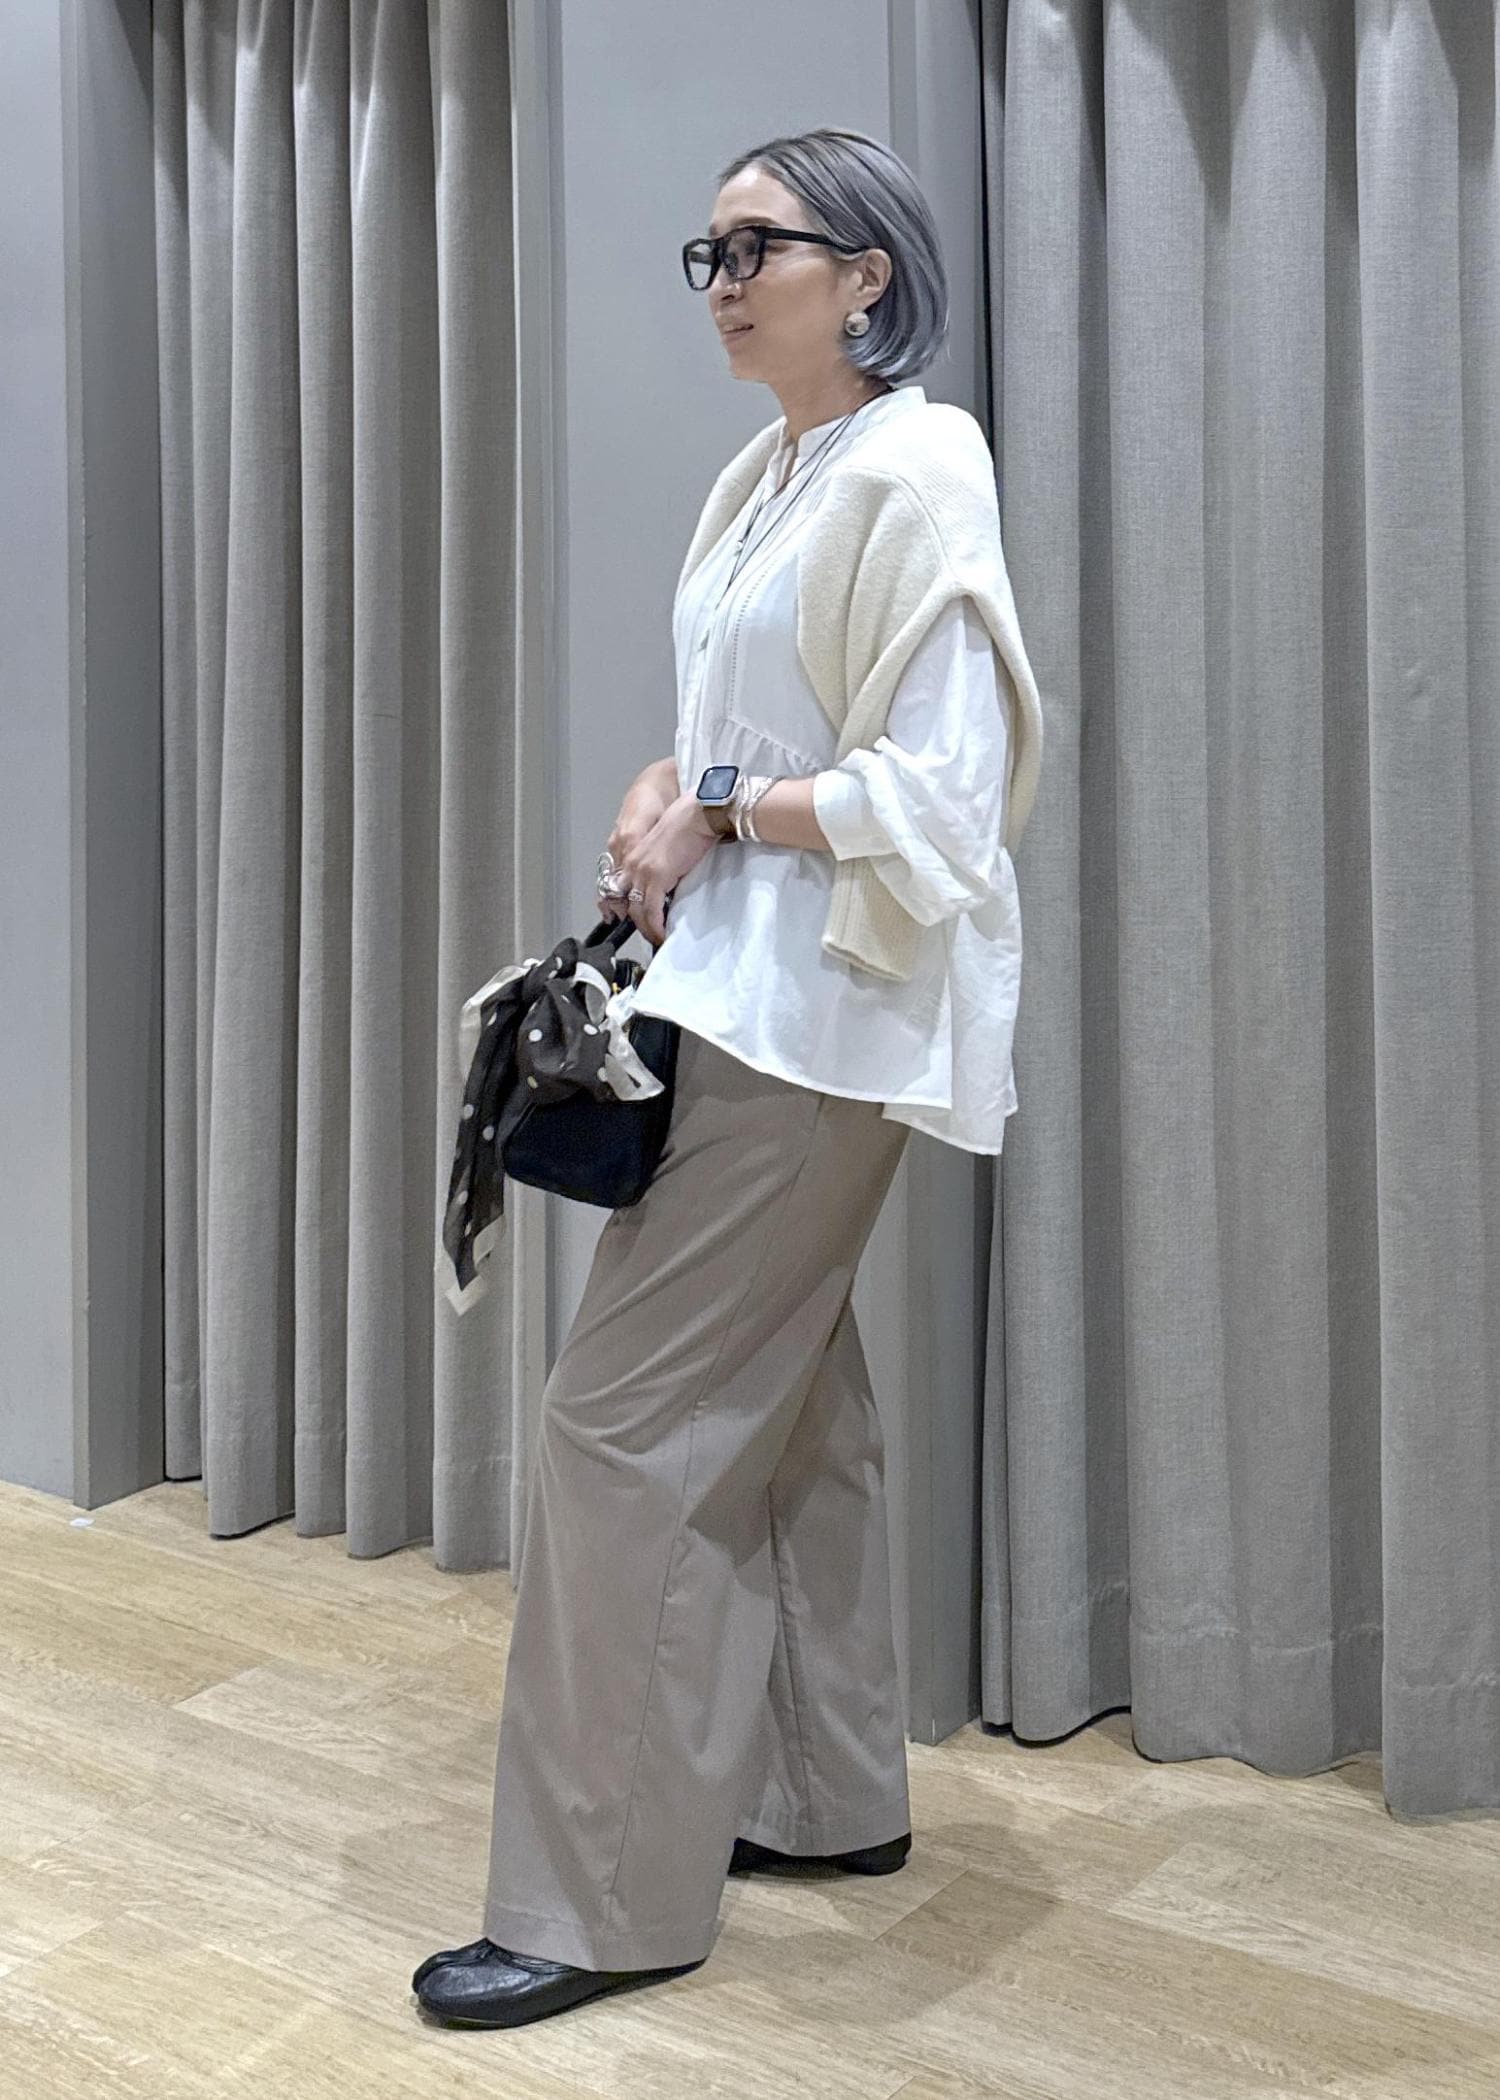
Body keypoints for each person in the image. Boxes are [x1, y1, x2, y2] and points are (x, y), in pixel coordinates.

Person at [413, 125, 1043, 2032]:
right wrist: (668, 785)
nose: (722, 282)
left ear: (870, 273)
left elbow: (943, 802)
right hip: (746, 1005)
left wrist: (710, 806)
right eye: (708, 253)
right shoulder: (771, 471)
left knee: (625, 1427)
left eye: (757, 246)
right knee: (790, 1407)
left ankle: (602, 1898)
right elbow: (747, 741)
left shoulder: (919, 459)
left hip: (820, 1022)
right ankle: (825, 1791)